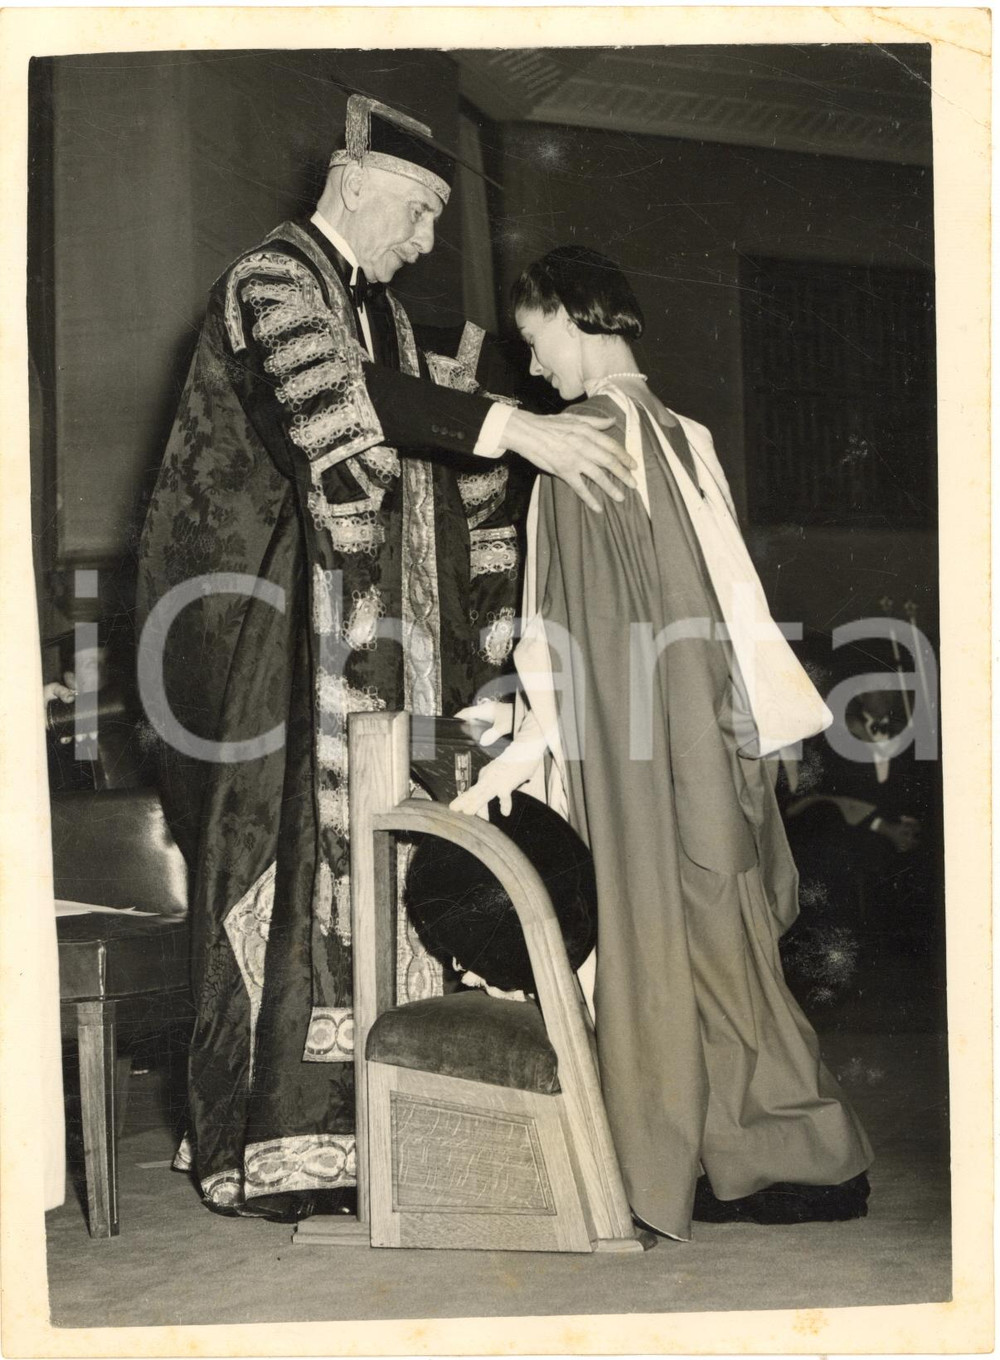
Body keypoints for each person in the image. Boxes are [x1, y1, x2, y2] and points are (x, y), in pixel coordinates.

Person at [135, 100, 635, 1224]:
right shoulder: (272, 279)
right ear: (352, 179)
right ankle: (278, 1138)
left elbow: (441, 449)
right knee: (297, 865)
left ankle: (386, 1128)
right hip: (279, 644)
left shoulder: (396, 323)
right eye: (414, 213)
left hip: (390, 658)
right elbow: (335, 413)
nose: (420, 243)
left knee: (398, 870)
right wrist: (505, 427)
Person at [452, 246, 874, 1240]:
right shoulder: (688, 436)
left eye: (533, 338)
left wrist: (518, 752)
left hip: (637, 744)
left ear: (566, 312)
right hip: (716, 731)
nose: (534, 367)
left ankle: (675, 1155)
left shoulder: (575, 449)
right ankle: (790, 1154)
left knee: (652, 941)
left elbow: (569, 649)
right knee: (727, 946)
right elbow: (738, 605)